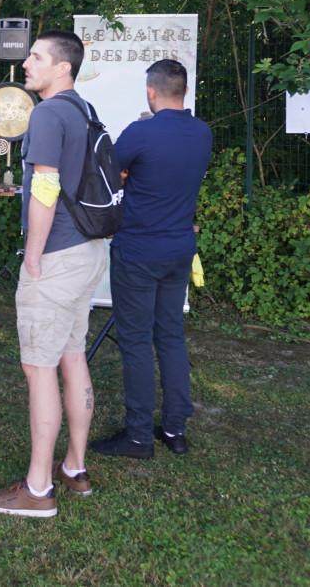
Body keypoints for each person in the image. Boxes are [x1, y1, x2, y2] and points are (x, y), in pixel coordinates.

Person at [0, 31, 108, 519]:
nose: (26, 64)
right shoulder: (83, 110)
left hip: (55, 259)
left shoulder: (49, 113)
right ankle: (74, 467)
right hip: (89, 250)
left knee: (39, 370)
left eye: (36, 57)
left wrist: (32, 254)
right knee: (73, 356)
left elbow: (46, 187)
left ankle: (37, 489)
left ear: (63, 68)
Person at [91, 59, 212, 459]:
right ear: (184, 91)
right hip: (179, 248)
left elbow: (109, 173)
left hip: (139, 250)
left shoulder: (140, 132)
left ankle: (140, 435)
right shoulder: (202, 133)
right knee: (171, 337)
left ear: (151, 91)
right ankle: (175, 429)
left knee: (137, 341)